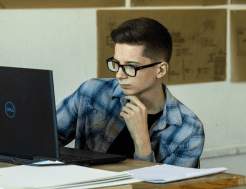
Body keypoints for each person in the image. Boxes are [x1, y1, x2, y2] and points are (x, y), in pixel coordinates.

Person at [56, 17, 204, 168]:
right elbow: (42, 142)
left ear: (161, 70)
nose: (119, 75)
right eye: (117, 64)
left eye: (131, 67)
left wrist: (142, 141)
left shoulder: (189, 129)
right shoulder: (92, 92)